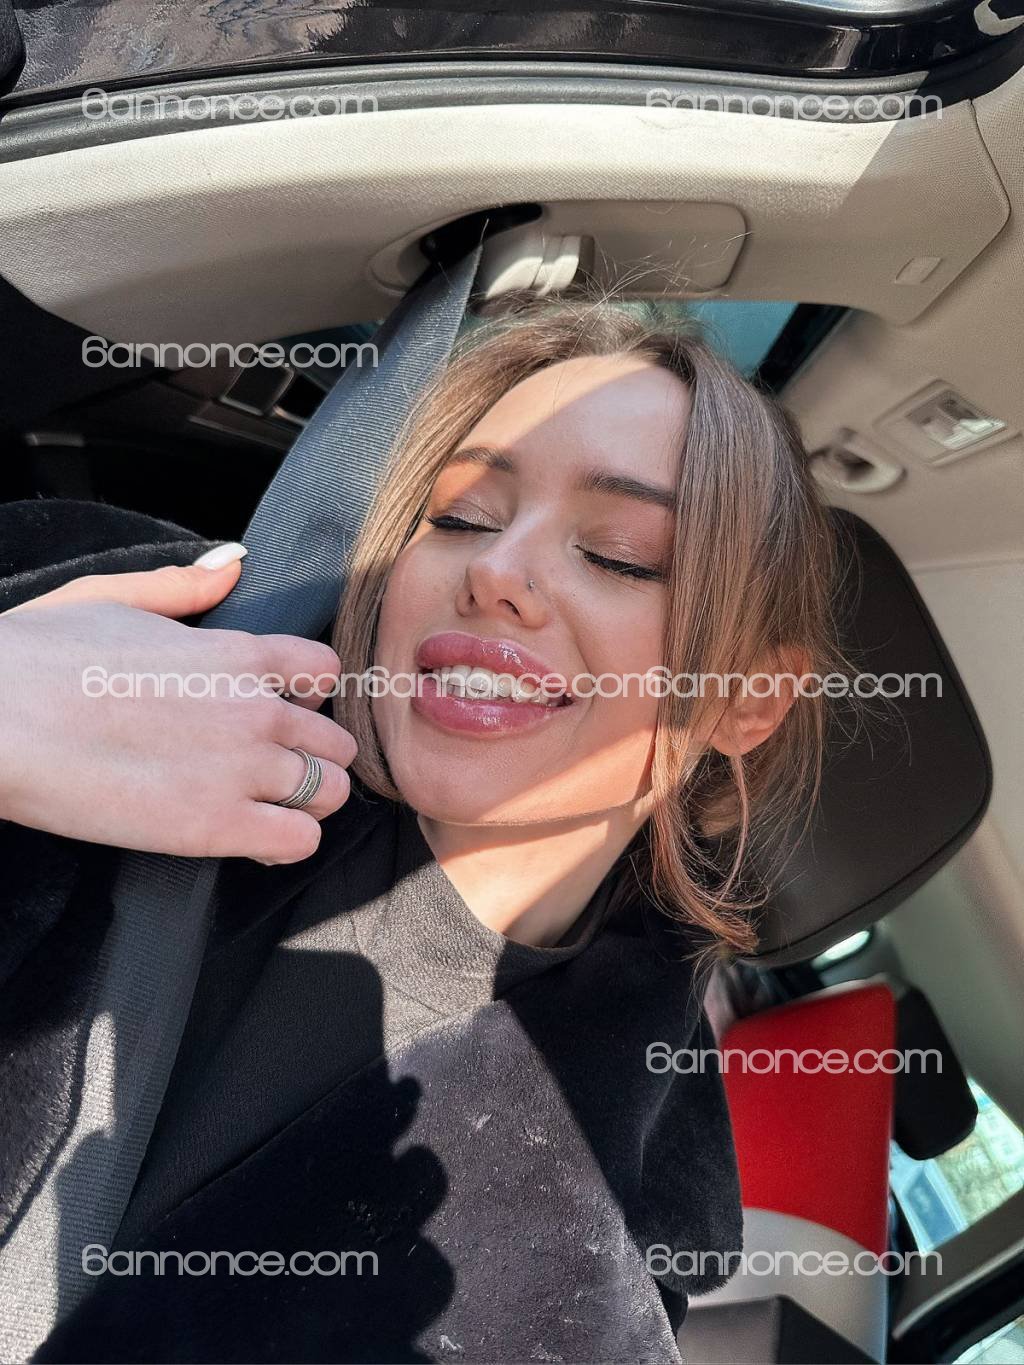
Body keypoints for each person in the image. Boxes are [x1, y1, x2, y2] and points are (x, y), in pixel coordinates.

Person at [0, 294, 840, 1363]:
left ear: (747, 701)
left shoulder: (617, 1256)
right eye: (460, 517)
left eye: (622, 554)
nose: (494, 571)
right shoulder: (110, 626)